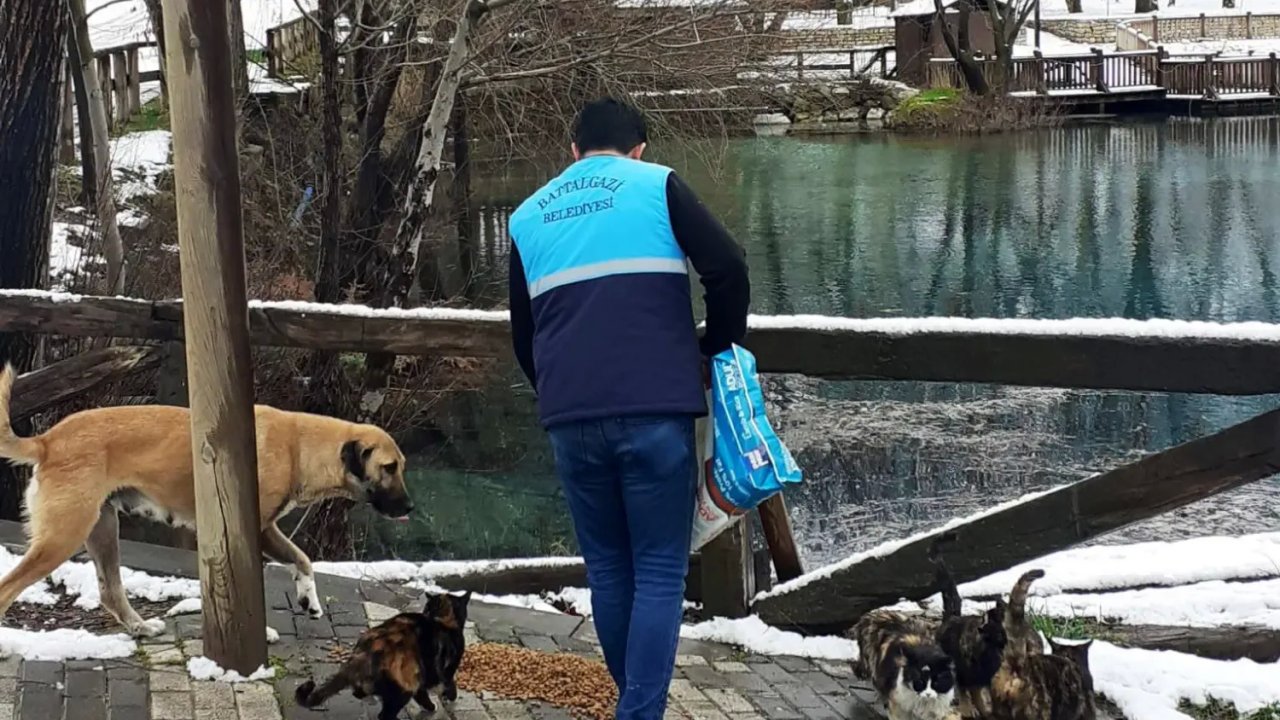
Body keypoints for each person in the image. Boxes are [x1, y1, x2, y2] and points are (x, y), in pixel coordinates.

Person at [507, 97, 750, 720]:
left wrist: (562, 394)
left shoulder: (528, 216)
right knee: (662, 572)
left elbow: (523, 335)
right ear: (639, 148)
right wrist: (715, 350)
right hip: (654, 408)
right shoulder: (657, 185)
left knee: (610, 571)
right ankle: (638, 712)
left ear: (573, 152)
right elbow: (728, 268)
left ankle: (634, 704)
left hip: (569, 417)